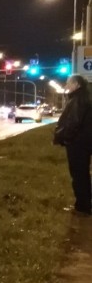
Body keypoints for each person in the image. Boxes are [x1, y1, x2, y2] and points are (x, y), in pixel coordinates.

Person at [53, 74, 92, 216]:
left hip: (78, 143)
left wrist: (65, 138)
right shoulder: (84, 97)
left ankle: (82, 207)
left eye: (69, 83)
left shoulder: (77, 99)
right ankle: (85, 204)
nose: (66, 86)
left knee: (78, 174)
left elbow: (73, 122)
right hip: (84, 141)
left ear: (77, 85)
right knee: (83, 174)